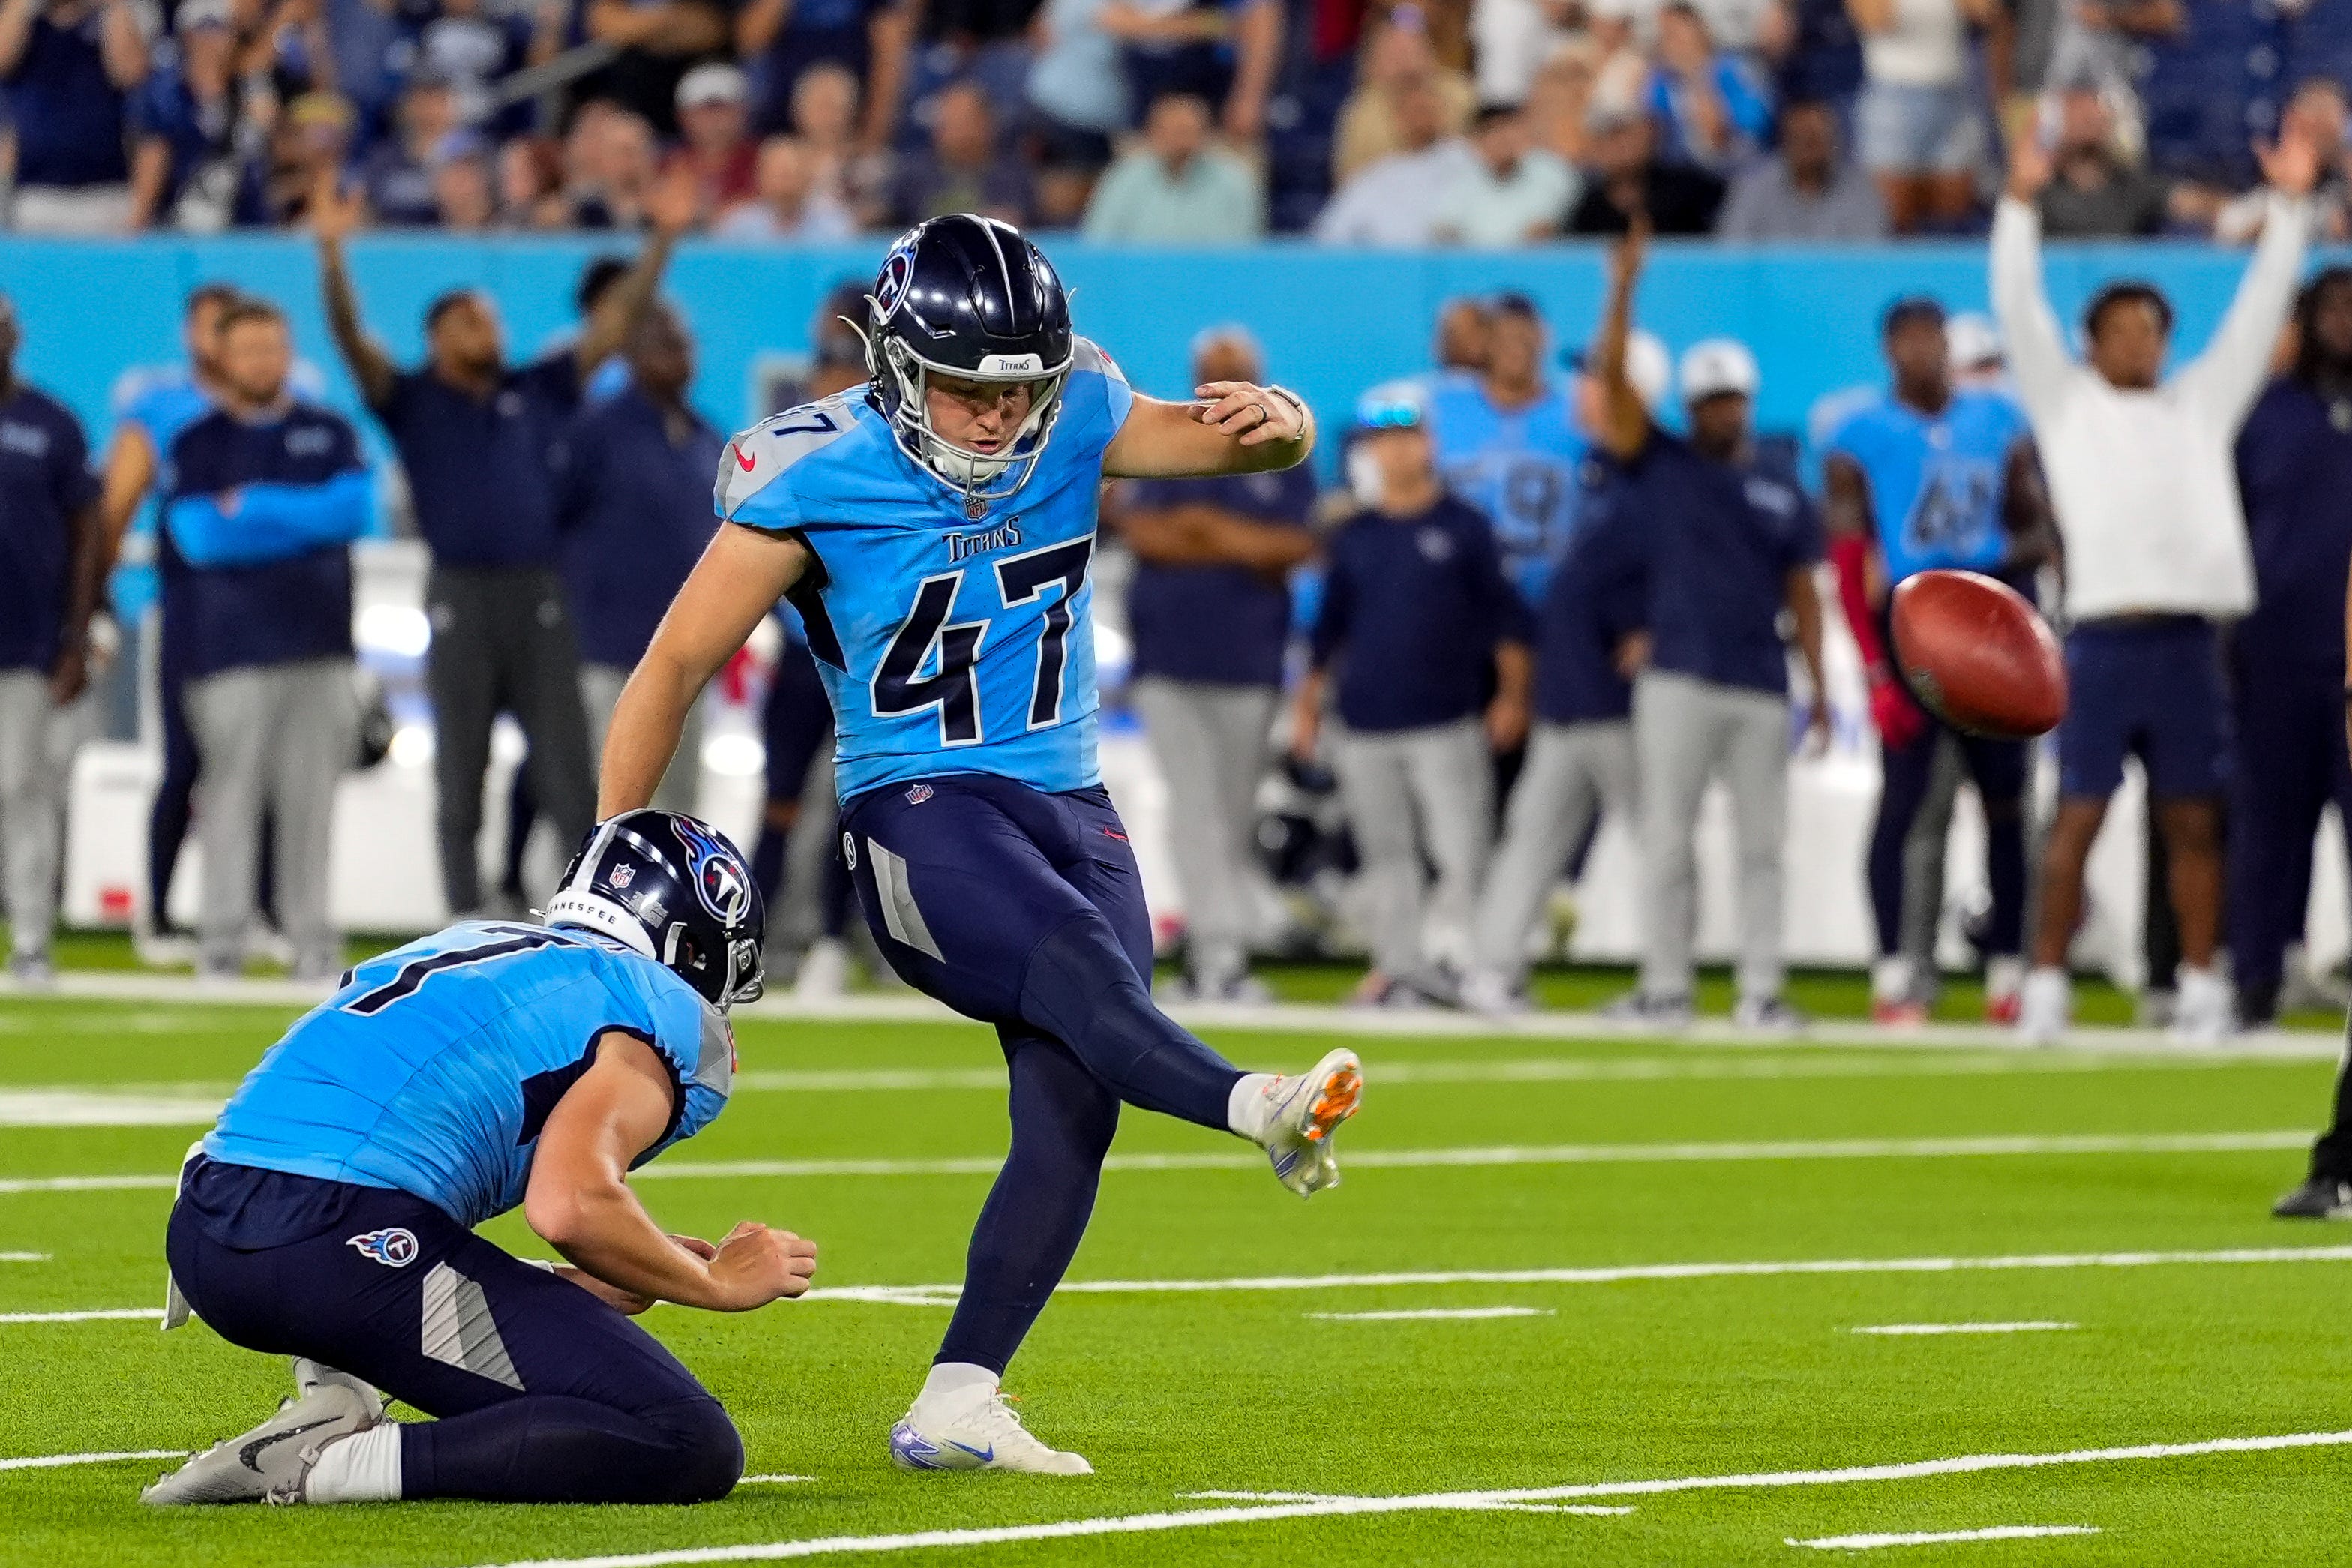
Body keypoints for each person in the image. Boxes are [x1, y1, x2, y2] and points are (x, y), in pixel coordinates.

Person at [597, 214, 1364, 1472]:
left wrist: (1283, 416)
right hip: (918, 804)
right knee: (1080, 964)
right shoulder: (813, 467)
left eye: (1019, 390)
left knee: (1075, 1106)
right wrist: (610, 849)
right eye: (967, 389)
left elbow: (1233, 442)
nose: (999, 419)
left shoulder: (1077, 409)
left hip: (1071, 803)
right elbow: (677, 659)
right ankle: (1257, 1103)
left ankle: (959, 1398)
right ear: (896, 365)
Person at [139, 810, 818, 1507]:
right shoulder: (650, 1007)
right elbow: (570, 1205)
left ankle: (332, 1396)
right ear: (697, 944)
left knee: (403, 1239)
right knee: (685, 1438)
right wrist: (715, 1283)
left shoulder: (478, 940)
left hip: (206, 1228)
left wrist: (594, 1270)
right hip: (327, 1247)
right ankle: (331, 1463)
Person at [1994, 126, 2318, 1044]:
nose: (2139, 344)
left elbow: (2259, 313)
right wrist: (2019, 205)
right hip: (2101, 641)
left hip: (2187, 643)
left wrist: (2290, 207)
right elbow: (2016, 305)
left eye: (2152, 330)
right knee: (2077, 822)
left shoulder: (2200, 406)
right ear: (2089, 344)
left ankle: (2201, 985)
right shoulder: (2065, 407)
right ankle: (2046, 983)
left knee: (2192, 826)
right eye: (2120, 331)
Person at [313, 168, 692, 920]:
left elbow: (614, 328)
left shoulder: (540, 387)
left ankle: (587, 917)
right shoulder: (412, 400)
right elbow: (352, 342)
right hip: (459, 591)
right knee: (462, 767)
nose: (490, 330)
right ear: (437, 338)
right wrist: (331, 257)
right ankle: (460, 918)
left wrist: (664, 241)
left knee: (566, 772)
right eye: (472, 322)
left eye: (491, 319)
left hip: (538, 591)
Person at [1586, 220, 1826, 1030]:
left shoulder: (1780, 489)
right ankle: (1666, 988)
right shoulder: (1664, 465)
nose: (1725, 412)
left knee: (1763, 846)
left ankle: (1759, 989)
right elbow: (1613, 388)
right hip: (1680, 674)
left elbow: (1805, 592)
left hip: (1758, 677)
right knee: (1666, 840)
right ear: (1689, 410)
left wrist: (1822, 686)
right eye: (1711, 401)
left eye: (1735, 399)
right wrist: (1621, 290)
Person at [1820, 296, 2053, 1025]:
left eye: (1932, 337)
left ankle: (2007, 972)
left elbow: (2031, 521)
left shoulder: (1997, 420)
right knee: (1904, 803)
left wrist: (2027, 569)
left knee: (2005, 805)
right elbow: (1849, 553)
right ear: (1887, 349)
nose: (1922, 351)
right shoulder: (1858, 434)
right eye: (1908, 339)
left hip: (1988, 610)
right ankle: (1894, 972)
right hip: (1914, 617)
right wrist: (1875, 666)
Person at [1294, 384, 1532, 1003]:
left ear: (1427, 442)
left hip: (1445, 718)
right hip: (1366, 722)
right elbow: (1329, 634)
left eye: (1407, 437)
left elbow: (1506, 621)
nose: (1396, 452)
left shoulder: (1465, 527)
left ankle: (1482, 965)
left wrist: (1512, 695)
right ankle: (1401, 969)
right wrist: (1309, 706)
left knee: (1463, 852)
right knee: (1387, 856)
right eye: (1383, 441)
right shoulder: (1357, 535)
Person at [159, 298, 371, 979]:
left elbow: (354, 510)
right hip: (229, 652)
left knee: (311, 800)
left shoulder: (330, 430)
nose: (263, 362)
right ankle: (221, 939)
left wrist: (255, 508)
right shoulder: (198, 442)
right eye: (249, 349)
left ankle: (310, 938)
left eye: (274, 347)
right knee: (230, 796)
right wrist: (302, 516)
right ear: (222, 357)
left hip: (320, 645)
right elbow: (200, 535)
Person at [1460, 340, 1670, 1015]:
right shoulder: (1596, 472)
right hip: (1568, 693)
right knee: (1532, 835)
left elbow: (1690, 565)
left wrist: (1655, 624)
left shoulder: (1653, 475)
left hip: (1620, 700)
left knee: (1655, 839)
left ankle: (1667, 984)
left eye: (1593, 378)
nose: (1577, 389)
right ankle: (1493, 970)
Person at [1114, 325, 1316, 1000]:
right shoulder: (1168, 439)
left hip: (1250, 662)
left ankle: (1214, 949)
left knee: (1228, 814)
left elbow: (1292, 544)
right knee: (1198, 810)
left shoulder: (1283, 450)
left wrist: (1204, 532)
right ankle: (1219, 957)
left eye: (1235, 370)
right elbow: (1142, 531)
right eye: (1211, 370)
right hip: (1169, 660)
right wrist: (1235, 544)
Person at [98, 283, 238, 954]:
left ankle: (254, 909)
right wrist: (94, 599)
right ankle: (156, 908)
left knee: (255, 774)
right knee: (183, 762)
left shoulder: (280, 411)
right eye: (209, 327)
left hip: (263, 616)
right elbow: (117, 503)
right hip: (187, 611)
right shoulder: (159, 410)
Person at [2229, 269, 2352, 1030]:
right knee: (2269, 827)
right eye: (2333, 308)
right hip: (2272, 653)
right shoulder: (2259, 414)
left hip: (2350, 662)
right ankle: (2255, 976)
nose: (2345, 322)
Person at [554, 304, 721, 816]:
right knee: (607, 801)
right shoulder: (595, 432)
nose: (680, 355)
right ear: (630, 352)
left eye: (685, 344)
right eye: (665, 343)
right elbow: (552, 520)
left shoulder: (705, 435)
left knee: (679, 808)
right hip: (610, 651)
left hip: (689, 657)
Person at [0, 295, 104, 982]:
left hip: (25, 640)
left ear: (14, 336)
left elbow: (87, 532)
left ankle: (32, 937)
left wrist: (77, 634)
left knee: (20, 789)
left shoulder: (51, 423)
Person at [1424, 292, 1586, 609]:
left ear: (1543, 338)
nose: (1512, 347)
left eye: (1522, 337)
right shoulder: (1439, 408)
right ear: (1484, 342)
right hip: (1461, 605)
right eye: (1502, 336)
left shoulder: (1577, 416)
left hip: (1553, 603)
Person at [0, 0, 149, 233]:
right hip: (38, 194)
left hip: (105, 193)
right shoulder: (28, 24)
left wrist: (112, 6)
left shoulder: (106, 19)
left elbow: (130, 73)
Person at [1847, 0, 1992, 232]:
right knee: (1891, 220)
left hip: (1952, 94)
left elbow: (1985, 12)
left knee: (1954, 219)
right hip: (1894, 97)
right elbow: (1876, 20)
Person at [1312, 72, 1478, 245]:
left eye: (1425, 109)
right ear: (1398, 118)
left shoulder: (1470, 162)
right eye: (1413, 111)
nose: (1420, 119)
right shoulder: (1378, 175)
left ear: (1441, 111)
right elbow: (1330, 235)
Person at [1080, 91, 1264, 244]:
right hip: (1136, 279)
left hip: (1212, 281)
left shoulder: (1235, 182)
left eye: (1188, 131)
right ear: (1154, 132)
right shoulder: (1123, 178)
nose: (1181, 141)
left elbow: (1246, 251)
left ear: (1206, 133)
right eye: (1174, 131)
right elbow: (1098, 243)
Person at [1715, 96, 1886, 239]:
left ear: (1833, 141)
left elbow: (1871, 259)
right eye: (1801, 138)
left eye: (1816, 139)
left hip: (1837, 279)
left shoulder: (1860, 189)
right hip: (1770, 279)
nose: (1809, 148)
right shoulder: (1754, 187)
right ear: (1785, 141)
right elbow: (1732, 254)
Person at [1430, 101, 1580, 246]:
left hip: (1533, 265)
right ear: (1477, 141)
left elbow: (1542, 232)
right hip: (1476, 266)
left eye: (1508, 129)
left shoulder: (1551, 172)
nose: (1502, 139)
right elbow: (1444, 230)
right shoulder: (1462, 179)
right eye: (1492, 132)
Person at [885, 81, 1033, 227]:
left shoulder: (1012, 176)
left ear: (986, 124)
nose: (950, 132)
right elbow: (885, 215)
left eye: (961, 123)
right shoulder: (914, 175)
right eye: (946, 122)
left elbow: (1022, 220)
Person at [2035, 82, 2170, 238]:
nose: (2087, 117)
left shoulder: (2132, 186)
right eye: (2078, 110)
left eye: (2093, 110)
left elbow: (2189, 202)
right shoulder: (2039, 187)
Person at [1568, 105, 1726, 235]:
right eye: (1611, 135)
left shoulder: (1688, 190)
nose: (1621, 145)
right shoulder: (1587, 204)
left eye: (1627, 133)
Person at [713, 135, 856, 240]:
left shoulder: (833, 224)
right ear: (760, 178)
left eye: (792, 173)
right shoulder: (739, 226)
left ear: (808, 178)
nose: (785, 184)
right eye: (778, 174)